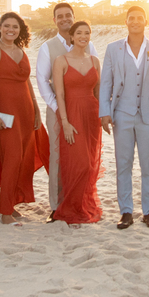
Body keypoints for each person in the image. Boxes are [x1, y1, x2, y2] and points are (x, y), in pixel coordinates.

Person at [99, 6, 149, 229]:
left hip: (148, 115)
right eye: (131, 18)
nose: (136, 21)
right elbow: (106, 82)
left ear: (146, 21)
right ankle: (126, 212)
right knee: (123, 164)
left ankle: (148, 212)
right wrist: (105, 112)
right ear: (126, 21)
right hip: (122, 114)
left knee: (148, 164)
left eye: (140, 18)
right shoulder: (113, 49)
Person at [0, 12, 46, 226]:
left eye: (15, 26)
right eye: (7, 26)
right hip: (3, 113)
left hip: (25, 111)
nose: (11, 30)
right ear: (0, 27)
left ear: (20, 30)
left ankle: (11, 204)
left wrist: (36, 109)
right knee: (11, 158)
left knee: (21, 159)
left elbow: (27, 83)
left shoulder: (20, 51)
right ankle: (5, 212)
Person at [37, 3, 98, 220]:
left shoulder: (89, 46)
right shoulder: (48, 47)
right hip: (58, 109)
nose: (64, 19)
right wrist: (58, 109)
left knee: (84, 158)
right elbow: (42, 82)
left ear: (73, 17)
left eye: (68, 15)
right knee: (58, 156)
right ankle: (56, 206)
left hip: (85, 110)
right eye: (60, 16)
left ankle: (80, 200)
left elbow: (96, 80)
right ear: (54, 20)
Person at [51, 21, 103, 225]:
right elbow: (59, 94)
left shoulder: (95, 61)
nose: (84, 36)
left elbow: (99, 92)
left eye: (87, 33)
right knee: (78, 164)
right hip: (72, 114)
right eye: (79, 33)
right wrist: (64, 122)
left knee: (90, 164)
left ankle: (84, 205)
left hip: (92, 115)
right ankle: (72, 207)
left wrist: (104, 116)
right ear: (71, 37)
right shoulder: (61, 61)